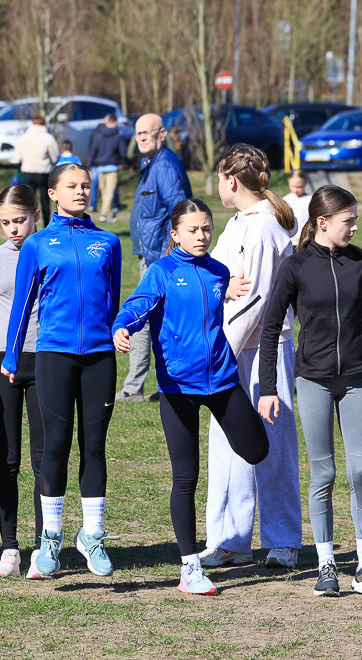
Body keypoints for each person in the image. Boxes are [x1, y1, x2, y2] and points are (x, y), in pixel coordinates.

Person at [112, 198, 269, 595]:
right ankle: (189, 568)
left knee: (256, 448)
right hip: (177, 386)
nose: (201, 236)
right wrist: (123, 328)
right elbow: (137, 306)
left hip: (221, 379)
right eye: (193, 230)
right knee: (186, 477)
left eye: (206, 229)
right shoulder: (163, 271)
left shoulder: (218, 271)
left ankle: (230, 529)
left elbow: (214, 292)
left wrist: (226, 287)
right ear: (175, 234)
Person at [258, 184, 362, 598]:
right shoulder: (295, 267)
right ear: (322, 223)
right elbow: (269, 329)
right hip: (312, 381)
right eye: (347, 220)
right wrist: (268, 388)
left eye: (355, 220)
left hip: (355, 381)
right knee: (324, 473)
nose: (354, 227)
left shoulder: (360, 264)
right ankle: (326, 565)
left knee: (361, 471)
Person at [1, 163, 122, 578]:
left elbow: (111, 303)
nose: (82, 191)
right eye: (72, 186)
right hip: (53, 354)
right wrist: (12, 357)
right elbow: (21, 307)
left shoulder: (108, 241)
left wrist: (115, 336)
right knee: (54, 446)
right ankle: (50, 538)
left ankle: (93, 534)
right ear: (52, 193)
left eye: (86, 185)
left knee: (94, 446)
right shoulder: (37, 244)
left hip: (100, 356)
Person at [200, 144, 302, 571]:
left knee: (272, 444)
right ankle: (231, 539)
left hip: (263, 350)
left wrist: (218, 347)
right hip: (235, 349)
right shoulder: (238, 223)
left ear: (231, 181)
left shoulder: (262, 228)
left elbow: (257, 297)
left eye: (219, 178)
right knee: (229, 445)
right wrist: (220, 291)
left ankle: (283, 540)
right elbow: (221, 281)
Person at [0, 185, 45, 579]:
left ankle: (41, 548)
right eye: (5, 222)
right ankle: (9, 549)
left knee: (41, 459)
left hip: (46, 363)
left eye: (19, 220)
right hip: (5, 366)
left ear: (36, 214)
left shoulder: (51, 252)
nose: (13, 229)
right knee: (8, 458)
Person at [120, 113, 192, 403]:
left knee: (141, 315)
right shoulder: (151, 164)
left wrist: (169, 256)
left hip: (160, 258)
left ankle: (134, 387)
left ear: (162, 134)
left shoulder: (164, 166)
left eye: (147, 133)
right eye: (138, 134)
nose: (141, 138)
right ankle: (142, 386)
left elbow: (180, 212)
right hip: (150, 255)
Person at [15, 116, 59, 226]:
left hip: (28, 171)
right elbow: (55, 156)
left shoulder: (24, 137)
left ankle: (31, 226)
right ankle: (47, 225)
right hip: (43, 172)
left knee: (29, 202)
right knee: (45, 200)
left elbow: (18, 155)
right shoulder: (48, 138)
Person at [88, 114, 127, 222]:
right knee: (109, 192)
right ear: (115, 123)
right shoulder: (118, 135)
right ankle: (105, 213)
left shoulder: (98, 136)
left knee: (105, 192)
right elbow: (123, 152)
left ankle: (109, 214)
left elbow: (93, 152)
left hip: (100, 168)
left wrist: (89, 166)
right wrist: (121, 162)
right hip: (113, 167)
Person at [282, 169, 311, 243]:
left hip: (307, 240)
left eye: (299, 187)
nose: (296, 190)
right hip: (290, 241)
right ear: (289, 182)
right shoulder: (285, 200)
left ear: (305, 183)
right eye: (293, 186)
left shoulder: (311, 200)